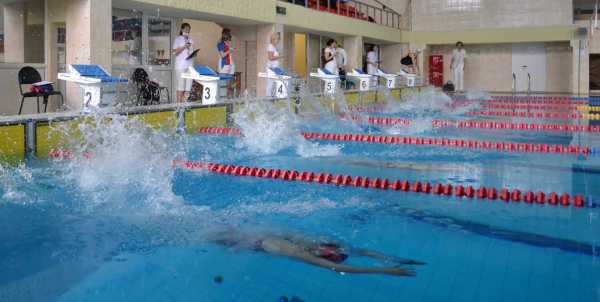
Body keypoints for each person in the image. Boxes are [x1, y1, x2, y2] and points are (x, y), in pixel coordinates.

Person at [206, 228, 424, 277]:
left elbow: (339, 267)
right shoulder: (309, 243)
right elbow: (360, 251)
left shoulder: (299, 251)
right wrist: (397, 259)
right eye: (332, 249)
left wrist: (387, 271)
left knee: (209, 236)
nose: (327, 249)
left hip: (244, 241)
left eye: (328, 253)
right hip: (249, 235)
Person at [172, 23, 195, 103]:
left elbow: (191, 52)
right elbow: (175, 53)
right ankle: (178, 105)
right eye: (186, 29)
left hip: (189, 65)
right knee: (180, 86)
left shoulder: (191, 40)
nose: (187, 31)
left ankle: (184, 104)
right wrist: (184, 47)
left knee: (188, 87)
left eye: (189, 29)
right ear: (182, 30)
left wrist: (193, 54)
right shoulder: (178, 39)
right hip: (180, 66)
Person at [217, 28, 235, 98]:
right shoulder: (220, 44)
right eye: (229, 34)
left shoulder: (227, 43)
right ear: (225, 34)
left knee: (229, 85)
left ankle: (228, 98)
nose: (230, 35)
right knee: (223, 84)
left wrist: (230, 50)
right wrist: (230, 51)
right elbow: (222, 55)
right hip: (223, 65)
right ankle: (222, 99)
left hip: (230, 64)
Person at [266, 32, 283, 97]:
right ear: (273, 39)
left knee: (273, 84)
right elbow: (270, 58)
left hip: (274, 68)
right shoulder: (270, 46)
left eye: (279, 39)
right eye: (277, 39)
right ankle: (269, 98)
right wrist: (280, 56)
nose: (278, 41)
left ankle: (272, 97)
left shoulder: (273, 47)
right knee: (270, 84)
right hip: (271, 69)